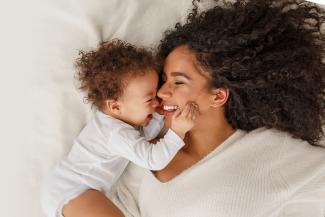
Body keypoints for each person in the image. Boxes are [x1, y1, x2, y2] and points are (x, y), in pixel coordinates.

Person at [108, 0, 325, 216]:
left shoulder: (269, 151)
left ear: (218, 95)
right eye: (164, 80)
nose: (162, 92)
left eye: (178, 82)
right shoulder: (143, 149)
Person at [41, 40, 199, 217]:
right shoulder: (115, 133)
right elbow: (151, 158)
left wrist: (158, 114)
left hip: (71, 190)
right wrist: (178, 132)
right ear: (115, 106)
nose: (157, 102)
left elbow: (143, 138)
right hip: (74, 190)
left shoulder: (118, 122)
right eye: (149, 100)